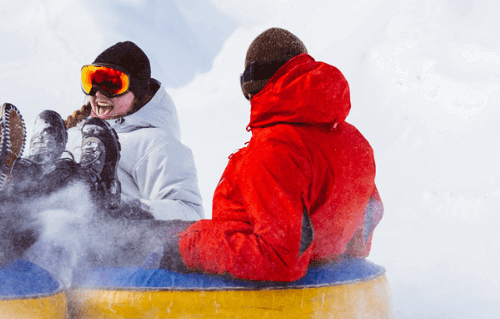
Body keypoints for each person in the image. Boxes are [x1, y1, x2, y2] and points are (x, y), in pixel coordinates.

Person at [160, 28, 383, 282]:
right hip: (329, 281)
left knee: (157, 251)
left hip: (260, 291)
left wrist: (191, 248)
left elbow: (279, 260)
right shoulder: (353, 140)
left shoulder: (275, 148)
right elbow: (367, 218)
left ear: (254, 85)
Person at [62, 41, 203, 221]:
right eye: (92, 81)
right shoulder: (73, 133)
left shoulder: (157, 144)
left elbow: (191, 215)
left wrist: (130, 211)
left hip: (102, 233)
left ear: (137, 92)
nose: (98, 93)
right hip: (50, 224)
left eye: (111, 84)